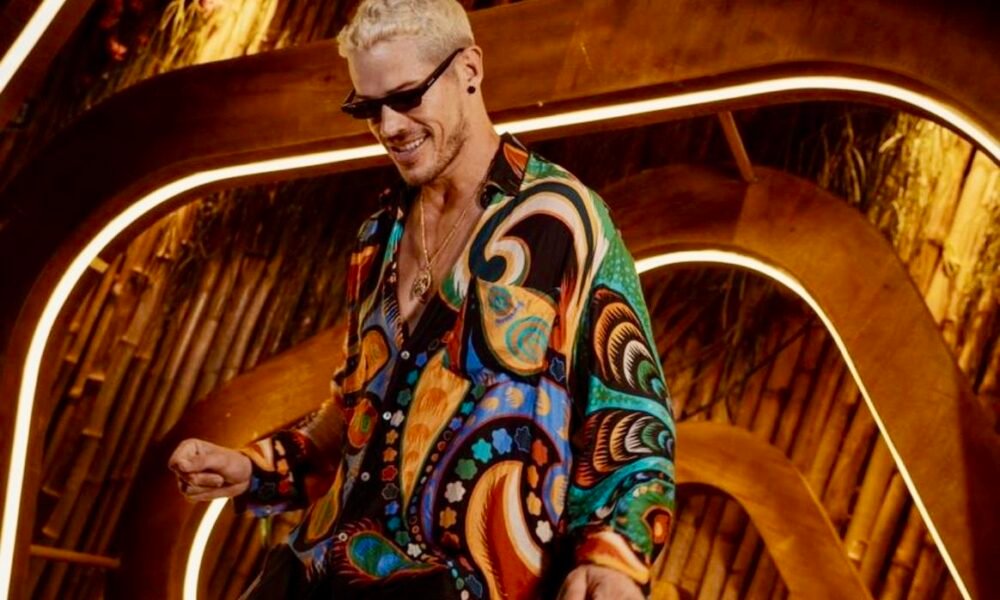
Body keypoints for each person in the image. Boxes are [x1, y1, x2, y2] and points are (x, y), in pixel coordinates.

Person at [168, 1, 675, 598]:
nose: (389, 126)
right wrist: (252, 468)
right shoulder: (376, 236)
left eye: (407, 97)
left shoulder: (563, 220)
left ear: (469, 69)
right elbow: (356, 413)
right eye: (368, 108)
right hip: (313, 574)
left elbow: (632, 417)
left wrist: (616, 560)